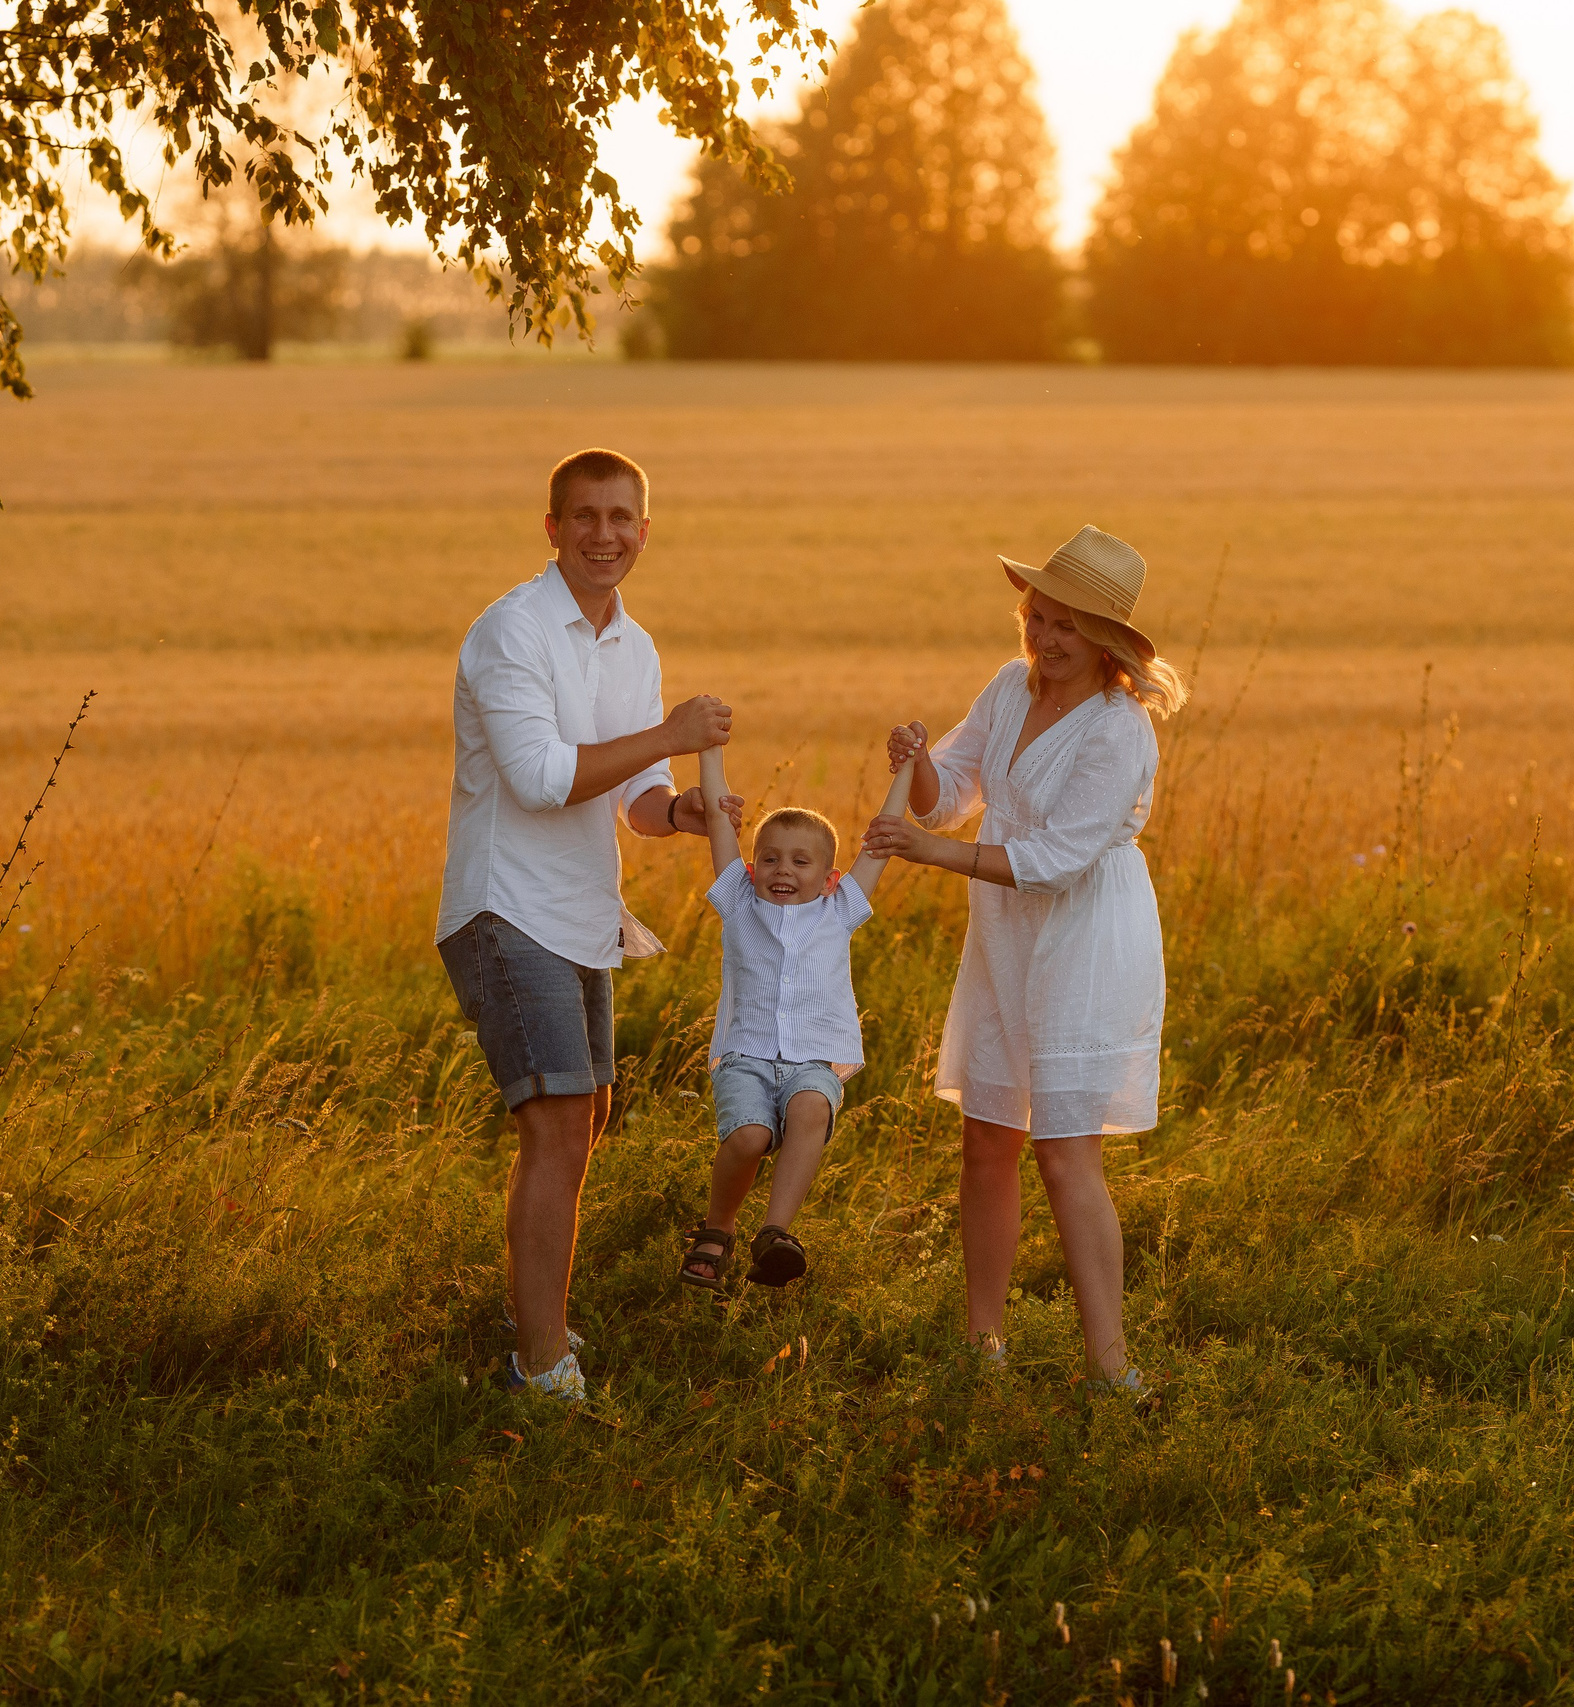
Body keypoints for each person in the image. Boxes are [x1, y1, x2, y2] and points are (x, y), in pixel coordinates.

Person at [860, 525, 1188, 1392]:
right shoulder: (1010, 686)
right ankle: (983, 1346)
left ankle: (1111, 1366)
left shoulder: (1119, 730)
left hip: (1086, 936)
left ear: (1107, 639)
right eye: (1038, 615)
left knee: (1064, 1151)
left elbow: (1055, 860)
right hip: (1005, 936)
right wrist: (915, 764)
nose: (1045, 636)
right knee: (987, 1136)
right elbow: (949, 795)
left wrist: (929, 855)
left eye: (1067, 624)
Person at [437, 448, 733, 1401]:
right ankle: (540, 1364)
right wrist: (672, 735)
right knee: (560, 1120)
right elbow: (540, 779)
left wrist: (682, 810)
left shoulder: (632, 646)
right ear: (553, 528)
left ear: (645, 531)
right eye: (585, 517)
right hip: (505, 905)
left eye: (621, 518)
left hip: (582, 911)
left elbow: (637, 797)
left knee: (586, 1117)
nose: (604, 534)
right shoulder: (511, 630)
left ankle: (537, 1319)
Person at [676, 739, 915, 1291]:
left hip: (814, 1058)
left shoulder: (840, 910)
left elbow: (880, 841)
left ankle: (774, 1234)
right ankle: (717, 1228)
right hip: (745, 1056)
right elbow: (719, 821)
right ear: (751, 868)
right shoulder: (738, 903)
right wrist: (709, 749)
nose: (782, 869)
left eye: (801, 862)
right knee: (749, 1138)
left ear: (830, 877)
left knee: (811, 1107)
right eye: (770, 858)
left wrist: (905, 768)